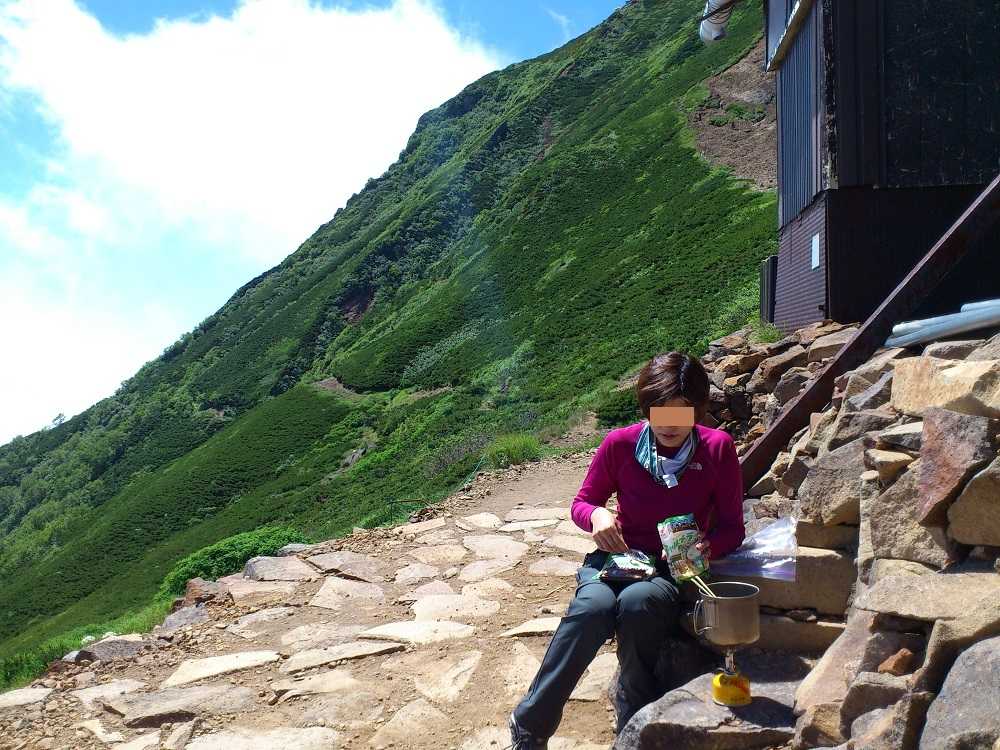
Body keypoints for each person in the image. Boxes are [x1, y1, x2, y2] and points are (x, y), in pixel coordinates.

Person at [508, 351, 746, 749]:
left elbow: (733, 528)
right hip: (616, 558)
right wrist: (598, 516)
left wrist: (706, 547)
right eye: (659, 412)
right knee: (591, 608)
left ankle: (634, 715)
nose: (669, 424)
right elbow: (583, 503)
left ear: (698, 410)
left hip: (670, 566)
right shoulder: (620, 444)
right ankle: (530, 724)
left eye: (682, 413)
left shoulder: (716, 448)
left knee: (639, 604)